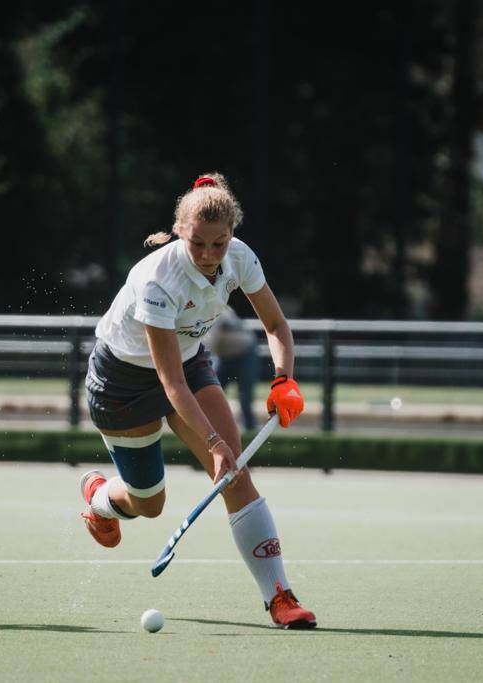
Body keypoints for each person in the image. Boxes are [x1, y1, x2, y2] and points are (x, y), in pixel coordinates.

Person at [80, 173, 315, 628]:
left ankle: (280, 597)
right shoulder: (158, 280)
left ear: (231, 235)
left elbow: (275, 325)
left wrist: (283, 379)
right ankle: (100, 497)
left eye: (219, 244)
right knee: (149, 503)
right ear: (179, 232)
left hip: (187, 362)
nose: (209, 256)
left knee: (235, 476)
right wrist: (213, 442)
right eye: (198, 244)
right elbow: (170, 386)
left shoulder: (240, 257)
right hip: (123, 383)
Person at [210, 305, 259, 431]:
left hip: (244, 352)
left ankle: (249, 427)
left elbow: (211, 342)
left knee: (244, 394)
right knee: (213, 391)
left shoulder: (217, 311)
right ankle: (211, 427)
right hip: (224, 356)